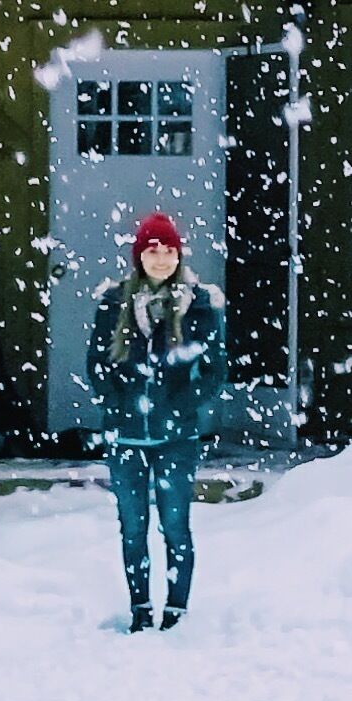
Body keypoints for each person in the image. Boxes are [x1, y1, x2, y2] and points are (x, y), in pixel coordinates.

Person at [83, 210, 226, 629]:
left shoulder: (199, 305)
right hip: (126, 437)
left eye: (168, 251)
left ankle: (176, 612)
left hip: (176, 437)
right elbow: (97, 365)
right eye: (152, 250)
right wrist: (117, 401)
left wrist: (183, 403)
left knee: (175, 527)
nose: (161, 259)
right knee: (132, 529)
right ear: (139, 256)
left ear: (178, 255)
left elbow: (215, 369)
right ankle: (140, 608)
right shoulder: (115, 303)